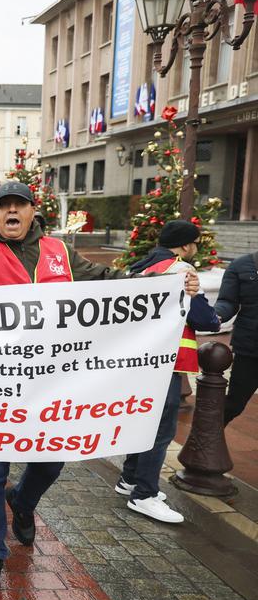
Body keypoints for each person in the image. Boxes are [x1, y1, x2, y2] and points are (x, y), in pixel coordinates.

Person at [0, 160, 200, 596]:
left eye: (18, 205)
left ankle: (22, 503)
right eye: (3, 205)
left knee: (51, 462)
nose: (11, 212)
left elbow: (112, 283)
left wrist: (165, 280)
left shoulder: (60, 253)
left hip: (50, 388)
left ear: (32, 212)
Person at [118, 220, 220, 524]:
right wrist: (213, 316)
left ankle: (130, 479)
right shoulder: (179, 268)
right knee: (161, 428)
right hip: (167, 361)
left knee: (141, 420)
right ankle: (144, 495)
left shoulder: (142, 266)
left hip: (140, 358)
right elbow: (202, 316)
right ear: (187, 244)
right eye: (196, 242)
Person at [216, 249, 258, 427]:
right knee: (233, 404)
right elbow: (227, 301)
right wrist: (216, 315)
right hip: (250, 348)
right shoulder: (241, 266)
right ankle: (204, 442)